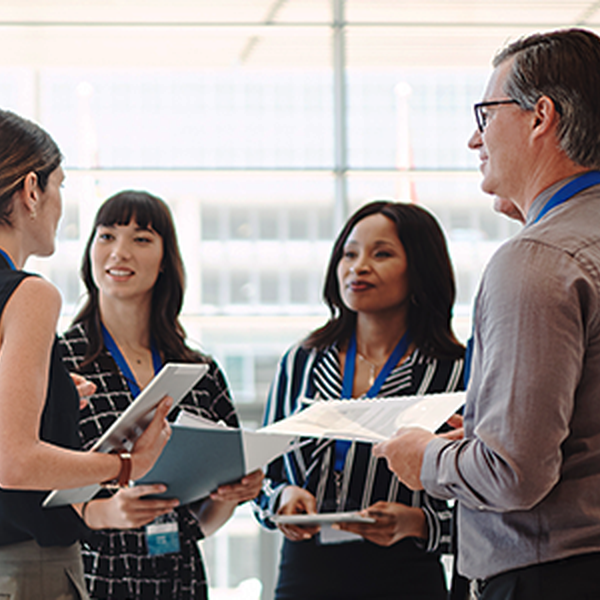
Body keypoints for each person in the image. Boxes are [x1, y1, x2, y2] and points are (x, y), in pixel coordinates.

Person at [374, 28, 600, 600]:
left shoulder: (536, 260)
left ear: (540, 116)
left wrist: (425, 457)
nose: (475, 139)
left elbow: (513, 474)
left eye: (486, 113)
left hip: (551, 574)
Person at [253, 200, 465, 600]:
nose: (358, 266)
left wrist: (418, 523)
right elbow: (262, 474)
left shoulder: (457, 372)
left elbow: (490, 498)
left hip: (406, 576)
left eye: (381, 254)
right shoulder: (303, 361)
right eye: (349, 253)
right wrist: (282, 498)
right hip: (305, 574)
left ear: (419, 268)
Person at [0, 111, 172, 599]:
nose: (60, 205)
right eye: (60, 185)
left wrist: (49, 398)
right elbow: (13, 462)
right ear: (31, 191)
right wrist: (125, 466)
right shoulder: (28, 294)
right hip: (23, 565)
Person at [60, 190, 263, 599]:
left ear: (165, 261)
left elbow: (202, 522)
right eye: (106, 236)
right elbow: (28, 483)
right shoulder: (58, 361)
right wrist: (107, 513)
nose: (120, 252)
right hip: (91, 575)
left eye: (141, 239)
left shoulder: (199, 370)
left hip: (179, 576)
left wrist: (233, 493)